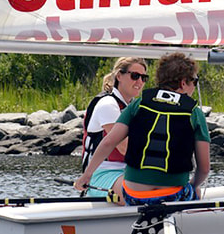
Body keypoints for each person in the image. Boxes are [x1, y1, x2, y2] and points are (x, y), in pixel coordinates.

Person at [74, 52, 210, 205]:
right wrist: (191, 185)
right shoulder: (195, 112)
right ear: (184, 83)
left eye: (143, 78)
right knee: (195, 191)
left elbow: (108, 142)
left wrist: (86, 176)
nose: (194, 87)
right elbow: (204, 168)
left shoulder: (137, 104)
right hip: (173, 194)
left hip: (133, 194)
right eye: (195, 81)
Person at [81, 57, 147, 201]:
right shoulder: (108, 104)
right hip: (102, 173)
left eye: (144, 78)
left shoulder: (136, 107)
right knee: (139, 191)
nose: (140, 82)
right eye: (135, 76)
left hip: (129, 171)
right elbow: (124, 148)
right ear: (119, 76)